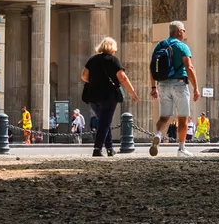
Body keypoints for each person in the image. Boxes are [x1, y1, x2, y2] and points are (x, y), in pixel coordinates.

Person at [81, 37, 140, 157]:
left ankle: (110, 149)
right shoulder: (113, 60)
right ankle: (97, 149)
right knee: (104, 122)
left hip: (93, 96)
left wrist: (94, 81)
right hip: (108, 96)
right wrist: (132, 92)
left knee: (104, 122)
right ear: (113, 48)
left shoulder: (92, 60)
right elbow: (122, 78)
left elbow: (83, 76)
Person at [150, 21, 201, 158]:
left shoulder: (160, 45)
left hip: (163, 85)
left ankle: (158, 135)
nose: (184, 33)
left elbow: (152, 68)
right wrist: (196, 87)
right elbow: (189, 67)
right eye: (184, 30)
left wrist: (154, 87)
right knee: (183, 118)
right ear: (179, 31)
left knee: (164, 117)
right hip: (179, 85)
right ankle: (181, 148)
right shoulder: (182, 47)